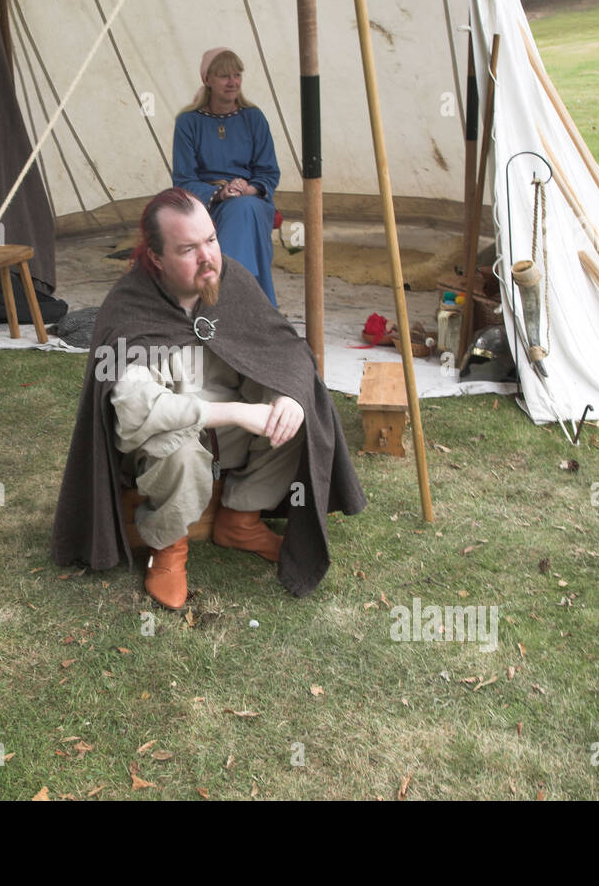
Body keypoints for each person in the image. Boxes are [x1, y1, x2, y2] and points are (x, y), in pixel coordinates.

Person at [51, 188, 366, 609]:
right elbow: (134, 413)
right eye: (188, 249)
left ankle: (241, 519)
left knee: (301, 412)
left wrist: (287, 395)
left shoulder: (229, 280)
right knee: (178, 449)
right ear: (157, 258)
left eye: (211, 240)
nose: (208, 258)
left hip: (233, 439)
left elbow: (282, 350)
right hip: (161, 444)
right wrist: (236, 412)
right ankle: (169, 548)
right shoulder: (129, 309)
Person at [172, 48, 281, 306]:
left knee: (244, 208)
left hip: (251, 200)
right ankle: (249, 300)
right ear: (207, 80)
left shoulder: (253, 118)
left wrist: (248, 190)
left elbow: (268, 172)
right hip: (205, 201)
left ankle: (225, 295)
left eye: (237, 74)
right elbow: (183, 180)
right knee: (239, 210)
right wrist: (220, 193)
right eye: (224, 76)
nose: (233, 82)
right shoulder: (188, 123)